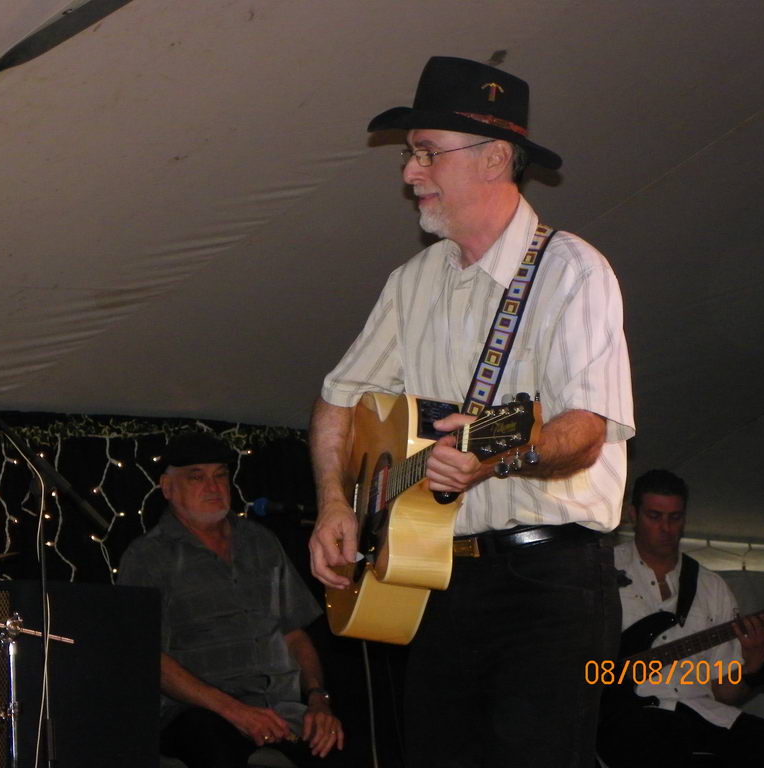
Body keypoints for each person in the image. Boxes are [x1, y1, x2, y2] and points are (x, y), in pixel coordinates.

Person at [308, 56, 635, 768]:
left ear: (493, 158)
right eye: (410, 154)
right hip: (439, 578)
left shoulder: (573, 271)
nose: (409, 173)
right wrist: (335, 503)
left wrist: (498, 459)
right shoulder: (413, 281)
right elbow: (339, 398)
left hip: (548, 586)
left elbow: (584, 431)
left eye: (428, 152)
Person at [118, 431, 345, 768]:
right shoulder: (147, 557)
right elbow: (148, 658)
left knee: (332, 741)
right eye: (197, 477)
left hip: (280, 709)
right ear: (167, 488)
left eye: (220, 475)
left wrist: (318, 701)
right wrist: (234, 710)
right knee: (210, 738)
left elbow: (294, 634)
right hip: (199, 713)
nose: (212, 486)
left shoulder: (260, 542)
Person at [596, 469, 764, 767]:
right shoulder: (600, 572)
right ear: (632, 515)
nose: (666, 528)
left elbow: (725, 694)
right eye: (654, 516)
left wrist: (752, 668)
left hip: (699, 712)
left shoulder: (711, 586)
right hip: (622, 716)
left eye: (675, 517)